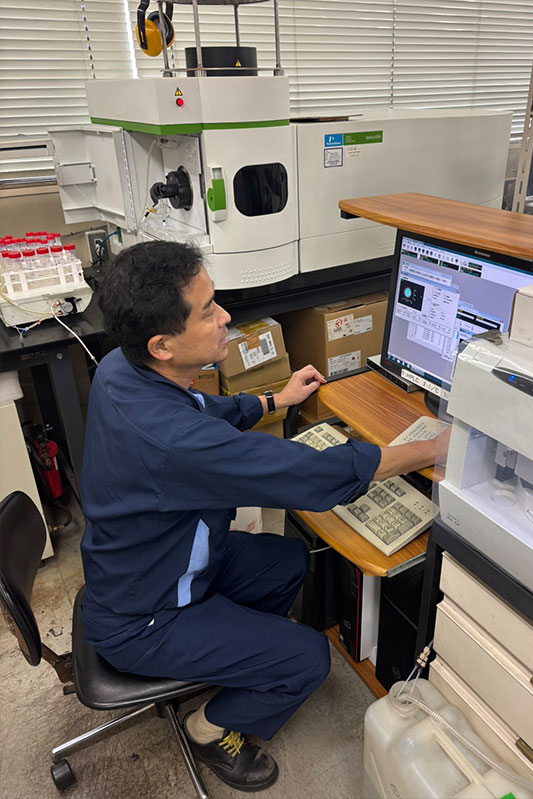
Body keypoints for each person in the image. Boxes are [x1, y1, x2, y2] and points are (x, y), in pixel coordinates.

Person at [80, 240, 450, 793]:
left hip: (149, 566)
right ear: (162, 345)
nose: (226, 316)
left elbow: (204, 410)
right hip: (146, 616)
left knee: (288, 559)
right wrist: (429, 450)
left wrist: (275, 401)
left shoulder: (122, 367)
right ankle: (209, 727)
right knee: (308, 658)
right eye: (208, 310)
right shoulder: (175, 442)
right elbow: (312, 476)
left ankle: (238, 662)